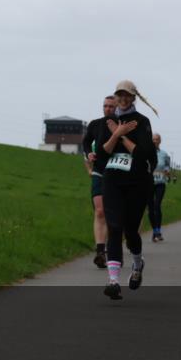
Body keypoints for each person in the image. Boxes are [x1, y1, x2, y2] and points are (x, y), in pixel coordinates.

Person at [100, 80, 158, 301]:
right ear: (115, 97)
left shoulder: (142, 122)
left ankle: (137, 263)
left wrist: (122, 134)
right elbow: (103, 152)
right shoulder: (108, 121)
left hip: (137, 182)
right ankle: (113, 281)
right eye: (119, 95)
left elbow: (143, 154)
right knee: (114, 227)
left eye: (127, 96)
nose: (123, 99)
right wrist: (114, 133)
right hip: (113, 180)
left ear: (134, 98)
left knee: (130, 231)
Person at [82, 95, 117, 268]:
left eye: (111, 106)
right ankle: (100, 251)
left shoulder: (121, 124)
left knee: (114, 215)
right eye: (105, 106)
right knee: (100, 211)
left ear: (116, 107)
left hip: (117, 173)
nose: (108, 109)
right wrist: (88, 153)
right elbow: (86, 142)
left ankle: (113, 246)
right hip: (99, 171)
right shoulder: (95, 124)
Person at [148, 133, 171, 242]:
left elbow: (167, 165)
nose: (155, 141)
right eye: (153, 139)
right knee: (151, 208)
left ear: (160, 141)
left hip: (160, 183)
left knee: (157, 205)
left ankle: (158, 230)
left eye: (157, 139)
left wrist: (167, 170)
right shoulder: (146, 152)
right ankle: (154, 230)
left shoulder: (164, 154)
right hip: (148, 183)